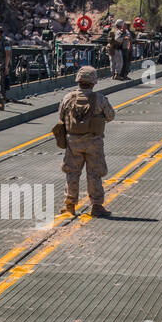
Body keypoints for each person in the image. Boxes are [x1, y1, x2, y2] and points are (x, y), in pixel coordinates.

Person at [59, 65, 116, 218]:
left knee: (72, 173)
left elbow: (61, 116)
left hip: (73, 142)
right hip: (93, 142)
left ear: (78, 80)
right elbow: (110, 116)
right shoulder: (100, 98)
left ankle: (70, 205)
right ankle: (96, 206)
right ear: (93, 82)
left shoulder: (68, 97)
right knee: (94, 173)